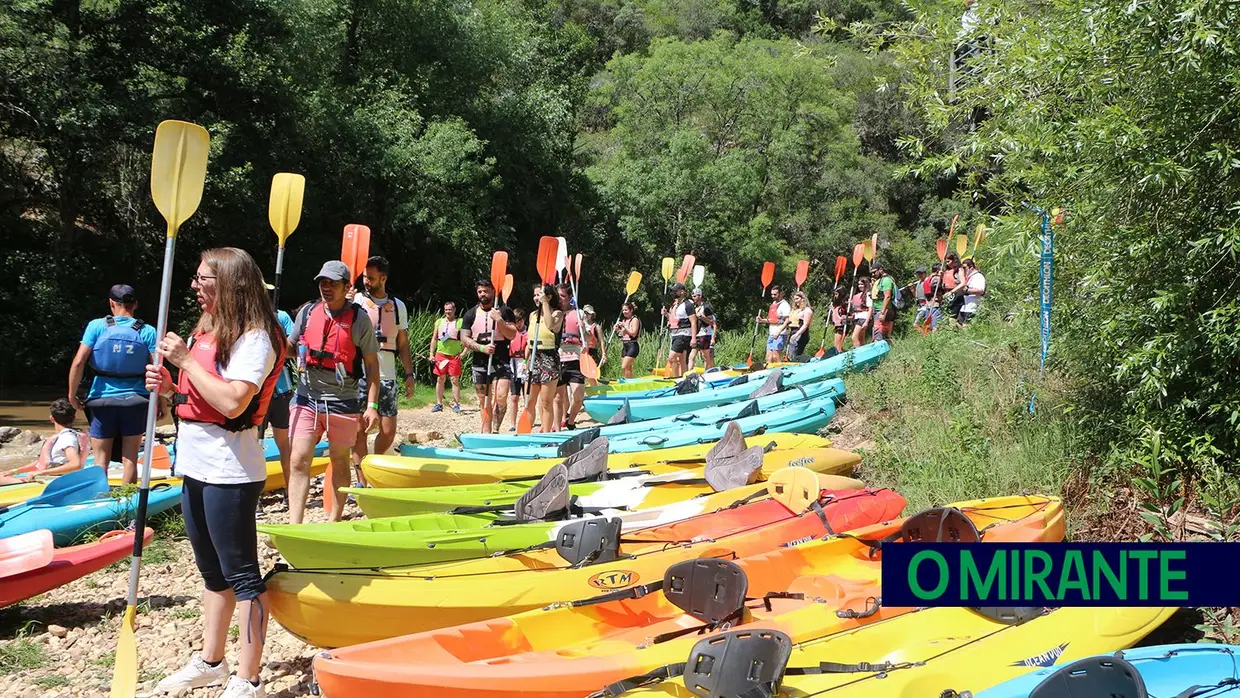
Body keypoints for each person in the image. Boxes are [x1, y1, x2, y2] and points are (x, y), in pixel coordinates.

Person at [144, 247, 285, 698]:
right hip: (195, 463)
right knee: (211, 574)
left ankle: (248, 678)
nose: (194, 286)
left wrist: (184, 362)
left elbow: (232, 402)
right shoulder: (209, 330)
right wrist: (169, 388)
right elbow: (198, 400)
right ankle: (211, 661)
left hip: (231, 470)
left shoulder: (256, 337)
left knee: (242, 575)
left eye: (203, 279)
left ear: (229, 283)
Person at [286, 261, 381, 525]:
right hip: (306, 396)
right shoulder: (307, 312)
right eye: (322, 282)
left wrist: (371, 405)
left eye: (333, 283)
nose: (326, 287)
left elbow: (372, 365)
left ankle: (334, 518)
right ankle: (295, 524)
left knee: (339, 459)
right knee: (297, 460)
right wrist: (274, 339)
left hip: (343, 400)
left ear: (346, 287)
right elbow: (291, 348)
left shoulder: (359, 319)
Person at [67, 284, 158, 484]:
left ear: (111, 303)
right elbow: (156, 368)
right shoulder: (148, 331)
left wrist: (72, 394)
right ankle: (128, 505)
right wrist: (159, 402)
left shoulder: (97, 326)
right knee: (130, 458)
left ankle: (101, 500)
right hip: (136, 400)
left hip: (101, 400)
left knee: (100, 460)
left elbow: (79, 362)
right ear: (135, 304)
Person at [352, 257, 415, 476]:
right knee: (359, 430)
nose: (366, 281)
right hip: (360, 375)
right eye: (364, 277)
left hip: (387, 375)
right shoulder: (356, 301)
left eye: (370, 277)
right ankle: (361, 480)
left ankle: (374, 466)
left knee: (388, 431)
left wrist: (409, 374)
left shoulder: (398, 306)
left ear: (383, 278)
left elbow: (403, 343)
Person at [460, 279, 518, 433]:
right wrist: (481, 347)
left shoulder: (505, 311)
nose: (483, 294)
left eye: (486, 291)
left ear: (493, 291)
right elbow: (464, 338)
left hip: (501, 357)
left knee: (501, 399)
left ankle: (496, 430)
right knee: (483, 400)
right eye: (480, 291)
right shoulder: (470, 314)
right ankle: (486, 431)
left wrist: (499, 320)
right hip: (481, 357)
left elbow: (512, 334)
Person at [0, 399, 86, 478]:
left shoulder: (67, 438)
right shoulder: (66, 436)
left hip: (58, 480)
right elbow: (41, 463)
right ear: (74, 418)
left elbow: (75, 464)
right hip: (53, 476)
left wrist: (41, 473)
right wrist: (12, 472)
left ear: (51, 418)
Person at [263, 306, 295, 499]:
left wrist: (276, 341)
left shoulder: (281, 316)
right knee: (254, 443)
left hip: (281, 389)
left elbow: (295, 347)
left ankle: (291, 489)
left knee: (284, 442)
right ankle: (254, 494)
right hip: (256, 392)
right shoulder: (244, 314)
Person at [526, 283, 564, 433]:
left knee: (546, 401)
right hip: (534, 358)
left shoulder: (557, 314)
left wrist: (545, 304)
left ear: (548, 297)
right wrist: (525, 361)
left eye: (539, 295)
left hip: (548, 359)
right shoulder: (532, 315)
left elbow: (550, 326)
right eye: (535, 295)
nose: (537, 298)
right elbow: (529, 342)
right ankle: (526, 432)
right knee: (529, 400)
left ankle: (547, 432)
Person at [554, 284, 589, 429]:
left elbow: (588, 336)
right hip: (558, 359)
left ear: (569, 298)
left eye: (562, 296)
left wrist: (583, 328)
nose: (560, 299)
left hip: (575, 359)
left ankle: (571, 421)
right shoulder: (553, 314)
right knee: (558, 399)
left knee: (578, 397)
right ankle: (557, 426)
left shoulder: (579, 313)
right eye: (558, 296)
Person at [429, 301, 464, 413]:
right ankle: (439, 403)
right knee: (440, 378)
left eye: (450, 309)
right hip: (441, 354)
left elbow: (468, 339)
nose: (448, 312)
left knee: (454, 380)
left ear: (454, 310)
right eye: (446, 310)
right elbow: (434, 338)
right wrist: (431, 353)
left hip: (454, 356)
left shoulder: (460, 322)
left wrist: (463, 353)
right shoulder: (439, 322)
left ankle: (456, 404)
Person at [662, 283, 697, 378]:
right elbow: (673, 319)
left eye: (675, 291)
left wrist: (693, 338)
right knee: (681, 360)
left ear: (682, 291)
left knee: (671, 358)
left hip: (684, 334)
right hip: (675, 334)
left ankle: (673, 378)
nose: (673, 293)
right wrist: (666, 314)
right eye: (673, 291)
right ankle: (683, 379)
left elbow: (693, 322)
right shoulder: (675, 305)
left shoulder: (688, 304)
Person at [506, 309, 528, 432]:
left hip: (525, 365)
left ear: (523, 320)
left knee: (527, 396)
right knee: (514, 397)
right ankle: (512, 423)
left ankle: (527, 419)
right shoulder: (511, 333)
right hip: (513, 365)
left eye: (519, 321)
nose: (517, 324)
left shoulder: (528, 333)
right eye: (515, 322)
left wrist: (526, 362)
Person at [758, 285, 791, 363]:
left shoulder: (784, 305)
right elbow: (772, 320)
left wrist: (779, 331)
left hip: (780, 334)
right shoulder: (773, 304)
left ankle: (779, 371)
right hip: (772, 333)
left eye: (775, 294)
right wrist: (762, 320)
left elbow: (787, 320)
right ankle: (768, 373)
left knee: (776, 356)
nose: (773, 296)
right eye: (772, 294)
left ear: (780, 294)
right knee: (769, 356)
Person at [950, 257, 987, 326]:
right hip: (965, 307)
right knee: (958, 326)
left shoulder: (978, 277)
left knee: (967, 328)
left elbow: (981, 290)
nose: (963, 270)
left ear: (971, 267)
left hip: (973, 307)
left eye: (965, 268)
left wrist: (967, 290)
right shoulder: (969, 277)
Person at [687, 288, 716, 369]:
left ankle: (708, 373)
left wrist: (702, 317)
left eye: (695, 296)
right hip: (695, 335)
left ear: (700, 296)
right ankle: (689, 374)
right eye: (692, 296)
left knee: (705, 356)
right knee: (691, 356)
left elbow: (712, 322)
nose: (693, 298)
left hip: (705, 334)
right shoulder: (692, 307)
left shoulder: (706, 308)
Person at [869, 263, 897, 344]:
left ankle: (879, 354)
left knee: (878, 335)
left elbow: (887, 297)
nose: (873, 274)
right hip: (879, 309)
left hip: (883, 310)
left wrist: (882, 312)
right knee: (884, 335)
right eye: (872, 273)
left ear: (881, 269)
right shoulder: (879, 280)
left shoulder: (886, 280)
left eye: (875, 272)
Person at [581, 305, 606, 385]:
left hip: (592, 352)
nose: (587, 315)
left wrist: (604, 354)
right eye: (585, 313)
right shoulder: (580, 325)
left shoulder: (596, 327)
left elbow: (602, 341)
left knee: (592, 375)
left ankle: (595, 391)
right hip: (581, 351)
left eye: (589, 313)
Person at [615, 302, 641, 379]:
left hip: (632, 345)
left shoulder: (635, 320)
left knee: (624, 366)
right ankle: (629, 382)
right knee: (627, 367)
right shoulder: (624, 320)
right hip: (625, 345)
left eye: (626, 310)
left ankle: (629, 382)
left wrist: (624, 327)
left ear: (631, 310)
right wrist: (617, 330)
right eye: (623, 310)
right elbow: (622, 334)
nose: (624, 312)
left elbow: (633, 333)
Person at [786, 290, 814, 360]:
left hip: (801, 334)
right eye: (794, 299)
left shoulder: (807, 310)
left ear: (802, 299)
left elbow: (806, 325)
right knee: (791, 355)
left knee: (795, 355)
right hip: (793, 332)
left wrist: (797, 334)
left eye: (797, 299)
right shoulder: (796, 310)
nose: (795, 301)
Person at [850, 277, 872, 348]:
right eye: (859, 284)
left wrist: (866, 322)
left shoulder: (868, 295)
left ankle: (858, 353)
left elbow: (870, 309)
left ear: (866, 284)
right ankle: (864, 352)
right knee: (861, 339)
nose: (860, 286)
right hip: (858, 317)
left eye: (862, 284)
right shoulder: (859, 295)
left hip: (863, 317)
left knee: (854, 337)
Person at [829, 289, 849, 354]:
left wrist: (846, 317)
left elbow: (852, 316)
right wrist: (832, 309)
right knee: (836, 345)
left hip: (842, 326)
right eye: (835, 294)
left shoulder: (845, 305)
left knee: (837, 346)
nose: (835, 296)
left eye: (836, 294)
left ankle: (841, 355)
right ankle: (841, 354)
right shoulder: (836, 304)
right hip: (837, 325)